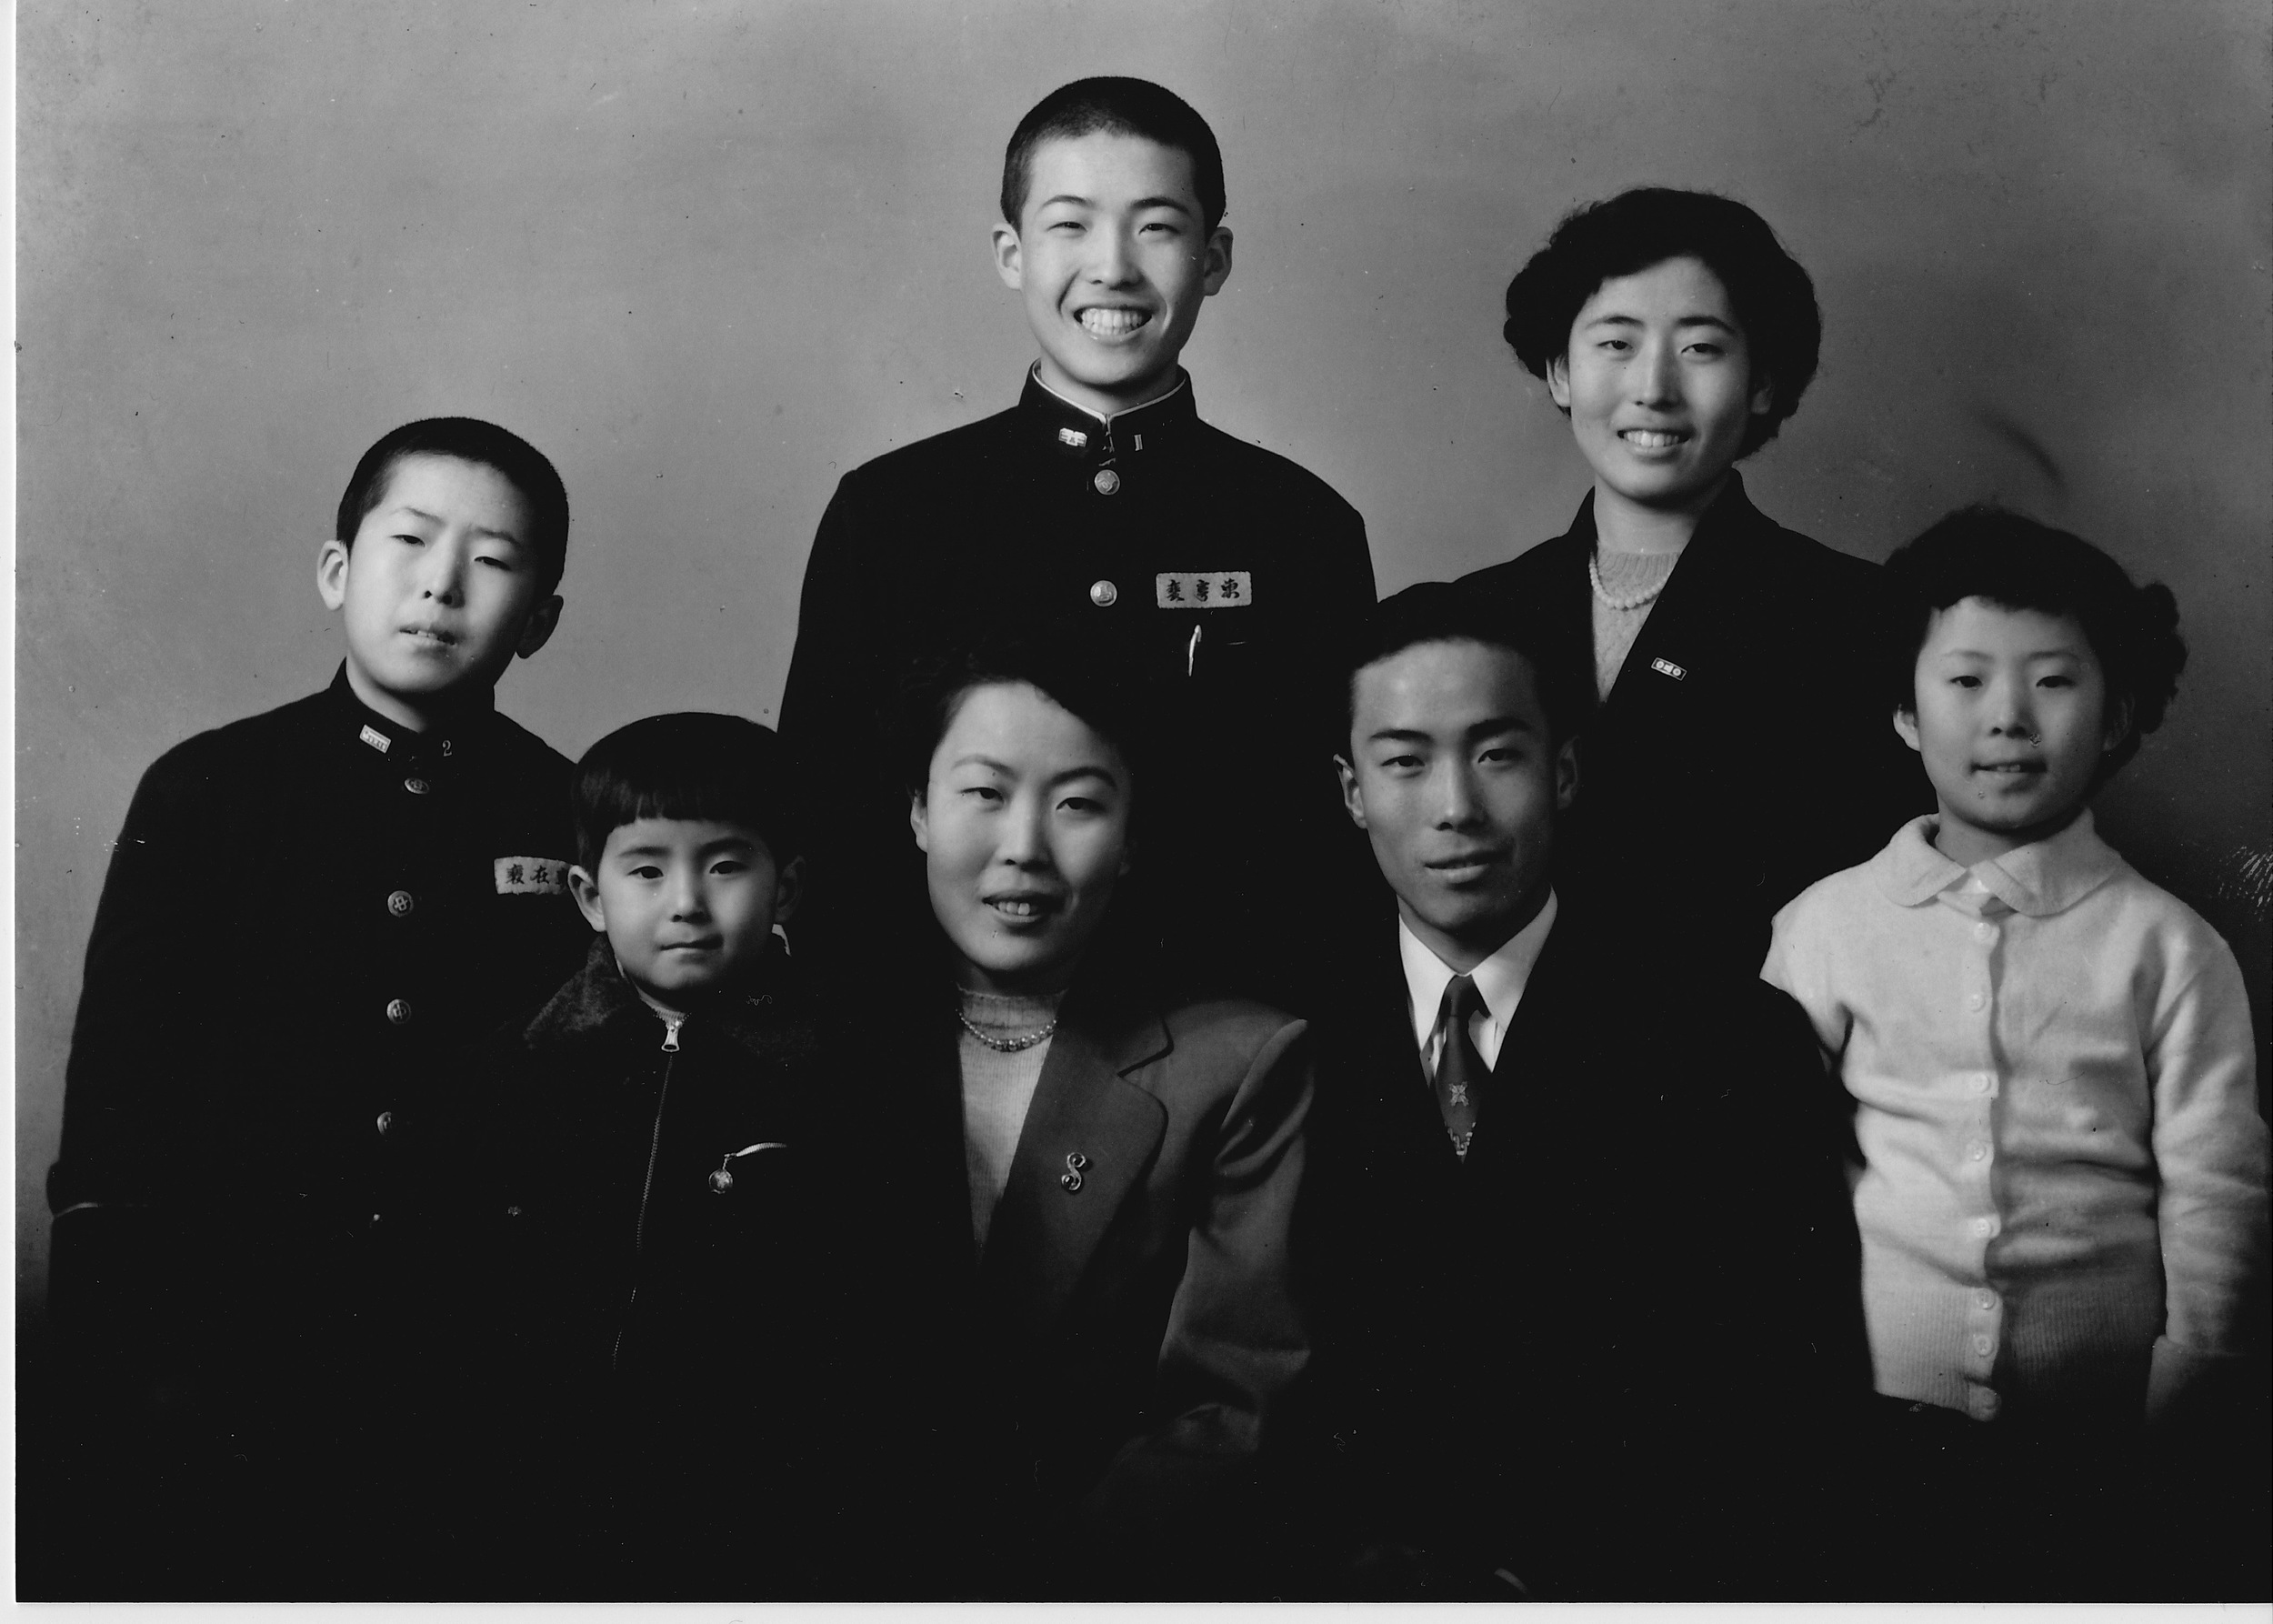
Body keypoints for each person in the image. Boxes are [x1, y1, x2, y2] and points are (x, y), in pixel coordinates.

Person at [34, 416, 589, 1599]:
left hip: (469, 1363)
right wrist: (129, 1355)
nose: (442, 583)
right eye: (409, 541)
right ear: (338, 570)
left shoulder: (569, 813)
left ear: (539, 620)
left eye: (493, 561)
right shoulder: (211, 790)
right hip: (221, 1349)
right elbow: (121, 1097)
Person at [1297, 582, 1867, 1600]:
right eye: (1404, 761)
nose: (1455, 807)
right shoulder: (1282, 1044)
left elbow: (1779, 1407)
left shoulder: (1730, 1043)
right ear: (1350, 791)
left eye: (1496, 752)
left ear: (1562, 771)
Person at [778, 75, 1376, 1011]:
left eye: (1156, 227)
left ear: (1213, 258)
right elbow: (827, 817)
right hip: (933, 1025)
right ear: (1010, 253)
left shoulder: (1301, 527)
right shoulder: (892, 513)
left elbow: (1328, 839)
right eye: (1069, 225)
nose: (1112, 268)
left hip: (1225, 1022)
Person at [1763, 507, 2269, 1599]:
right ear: (1903, 710)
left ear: (2119, 709)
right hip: (1870, 1427)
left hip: (2103, 1440)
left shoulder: (2170, 947)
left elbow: (2215, 1192)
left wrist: (2185, 1404)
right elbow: (1765, 1173)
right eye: (1963, 682)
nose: (2007, 719)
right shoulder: (1826, 924)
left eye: (2052, 681)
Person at [868, 634, 1312, 1599]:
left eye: (1077, 802)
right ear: (916, 811)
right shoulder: (819, 1044)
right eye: (983, 793)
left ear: (1133, 837)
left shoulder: (1237, 1062)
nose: (1023, 846)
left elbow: (1230, 1405)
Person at [402, 713, 859, 1598]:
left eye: (726, 865)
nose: (686, 899)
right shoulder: (514, 1074)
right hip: (538, 1507)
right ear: (588, 895)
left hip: (756, 1511)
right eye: (646, 869)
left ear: (788, 888)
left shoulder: (836, 1082)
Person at [1459, 187, 1925, 964]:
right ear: (1559, 372)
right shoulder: (1471, 615)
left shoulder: (1857, 617)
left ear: (1764, 383)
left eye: (1701, 348)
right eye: (1615, 344)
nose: (1654, 388)